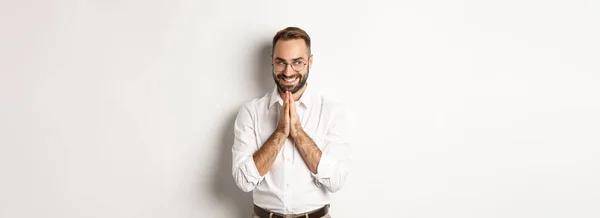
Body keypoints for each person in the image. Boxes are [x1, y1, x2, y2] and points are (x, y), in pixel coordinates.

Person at [231, 26, 351, 218]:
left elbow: (336, 181)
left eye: (297, 62)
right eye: (281, 62)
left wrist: (298, 132)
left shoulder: (331, 112)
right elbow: (244, 182)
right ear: (272, 62)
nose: (288, 72)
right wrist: (279, 134)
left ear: (310, 62)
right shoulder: (250, 112)